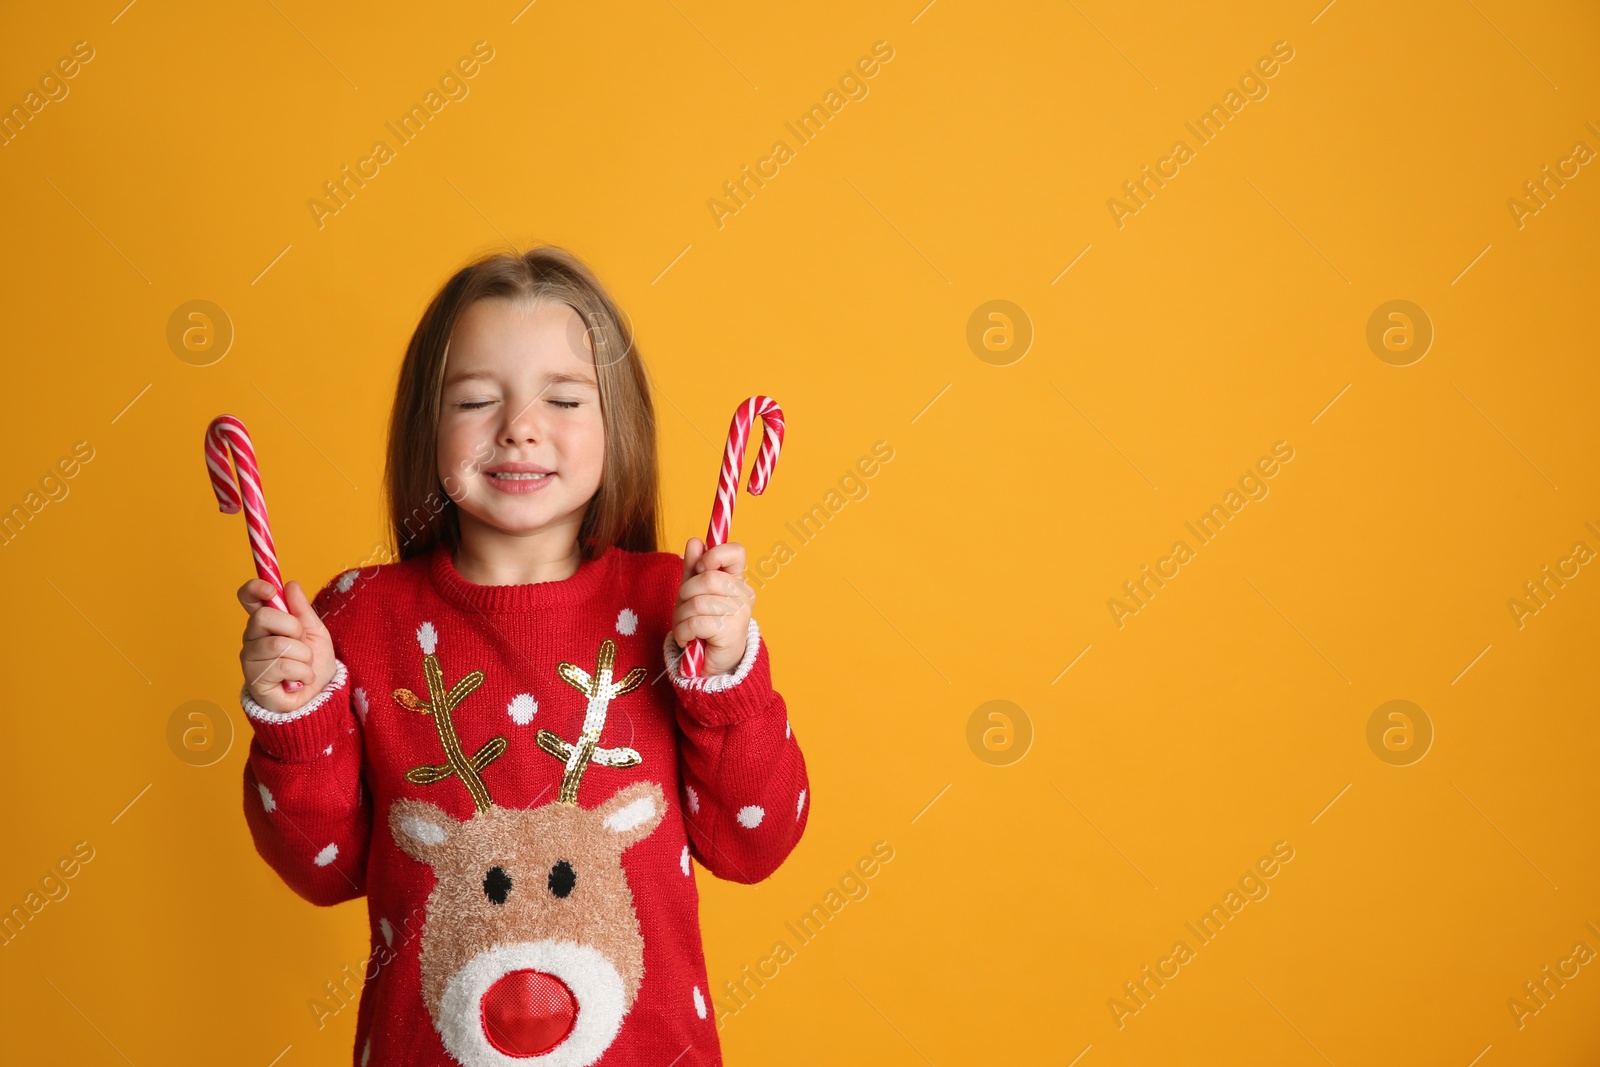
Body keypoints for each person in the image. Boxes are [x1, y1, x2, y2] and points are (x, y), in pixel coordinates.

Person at [234, 245, 808, 1066]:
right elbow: (322, 868)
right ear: (424, 425)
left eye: (564, 398)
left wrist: (727, 681)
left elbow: (754, 845)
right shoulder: (355, 621)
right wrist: (298, 715)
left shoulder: (670, 609)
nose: (520, 427)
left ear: (619, 421)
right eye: (476, 399)